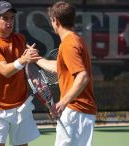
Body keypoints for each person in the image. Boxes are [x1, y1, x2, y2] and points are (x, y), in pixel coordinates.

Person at [27, 1, 97, 146]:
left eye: (51, 20)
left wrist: (63, 102)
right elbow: (59, 67)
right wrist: (37, 59)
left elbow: (82, 76)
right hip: (81, 112)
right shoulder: (76, 40)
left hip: (75, 111)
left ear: (55, 21)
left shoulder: (68, 45)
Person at [0, 1, 41, 146]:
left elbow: (25, 65)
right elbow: (5, 71)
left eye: (12, 18)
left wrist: (30, 57)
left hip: (20, 107)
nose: (9, 22)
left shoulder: (20, 39)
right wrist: (24, 59)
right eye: (5, 18)